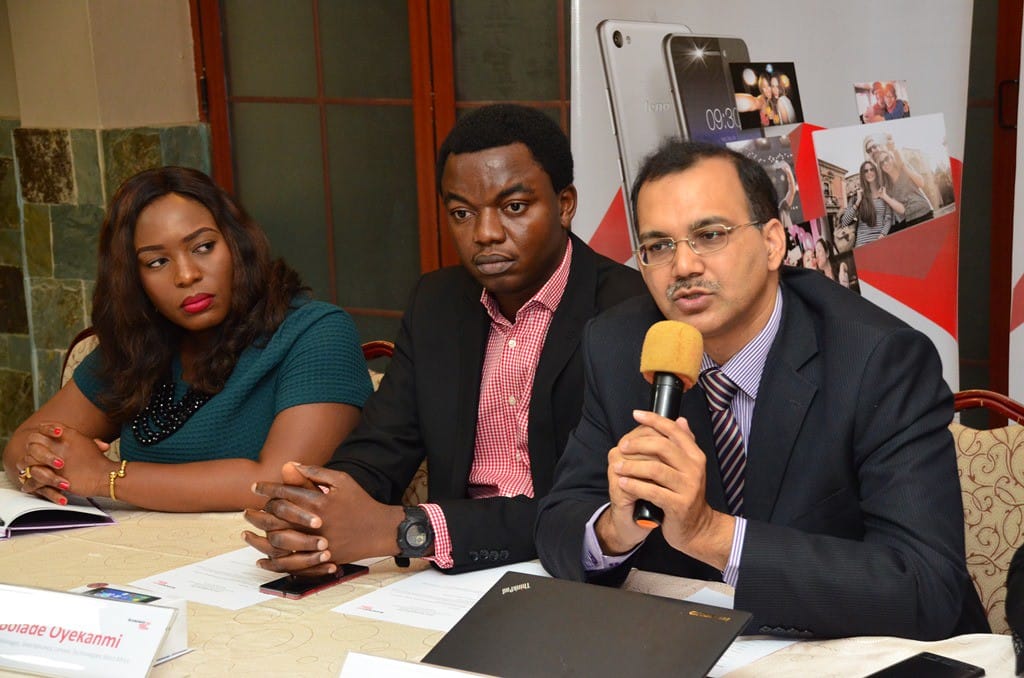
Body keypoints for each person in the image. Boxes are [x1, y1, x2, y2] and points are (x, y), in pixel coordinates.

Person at [534, 139, 988, 639]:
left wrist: (712, 534)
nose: (682, 267)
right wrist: (615, 531)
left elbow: (926, 586)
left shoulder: (879, 359)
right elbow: (558, 519)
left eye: (709, 235)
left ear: (773, 243)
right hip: (701, 649)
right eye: (658, 246)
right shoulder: (621, 345)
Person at [242, 104, 645, 575]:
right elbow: (381, 447)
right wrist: (318, 517)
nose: (486, 234)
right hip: (450, 573)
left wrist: (412, 528)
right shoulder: (437, 303)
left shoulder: (629, 314)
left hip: (577, 571)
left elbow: (590, 507)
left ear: (565, 204)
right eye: (461, 213)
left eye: (514, 207)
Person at [2, 167, 372, 511]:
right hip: (142, 559)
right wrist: (40, 463)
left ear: (236, 243)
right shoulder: (141, 344)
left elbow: (277, 481)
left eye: (203, 247)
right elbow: (22, 442)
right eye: (157, 262)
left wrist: (104, 476)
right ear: (135, 280)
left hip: (260, 562)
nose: (186, 275)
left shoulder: (316, 332)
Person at [839, 160, 902, 247]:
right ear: (863, 175)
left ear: (876, 172)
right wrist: (858, 202)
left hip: (880, 241)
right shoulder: (857, 196)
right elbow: (844, 222)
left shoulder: (883, 192)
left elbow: (888, 219)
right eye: (866, 171)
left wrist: (882, 235)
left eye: (872, 169)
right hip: (862, 244)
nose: (869, 172)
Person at [877, 149, 934, 227]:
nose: (885, 163)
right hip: (910, 220)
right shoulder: (887, 187)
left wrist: (904, 167)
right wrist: (884, 196)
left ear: (892, 158)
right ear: (881, 167)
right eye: (881, 163)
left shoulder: (903, 167)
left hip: (925, 211)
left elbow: (921, 183)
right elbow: (901, 210)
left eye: (886, 159)